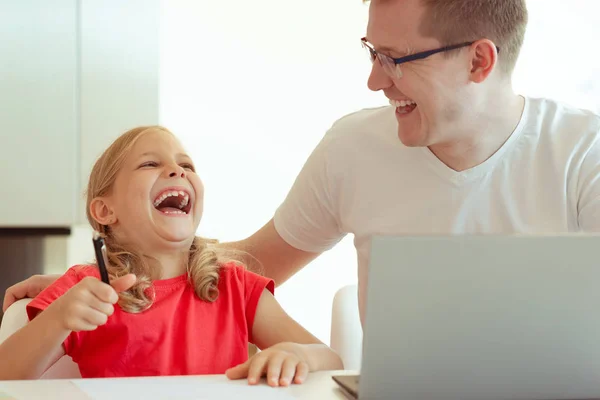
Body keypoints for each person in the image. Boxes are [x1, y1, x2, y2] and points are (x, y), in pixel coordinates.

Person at [5, 0, 600, 327]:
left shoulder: (583, 152)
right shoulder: (355, 147)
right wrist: (97, 278)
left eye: (395, 58)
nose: (374, 80)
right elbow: (251, 263)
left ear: (478, 61)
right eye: (372, 53)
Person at [0, 126, 342, 383]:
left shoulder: (235, 287)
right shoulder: (83, 291)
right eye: (150, 163)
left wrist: (299, 355)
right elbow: (6, 377)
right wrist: (57, 319)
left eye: (186, 165)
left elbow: (332, 361)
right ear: (105, 210)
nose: (178, 171)